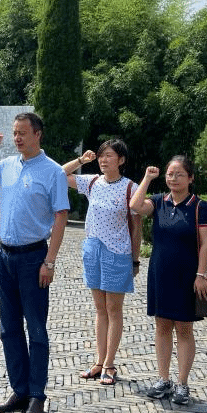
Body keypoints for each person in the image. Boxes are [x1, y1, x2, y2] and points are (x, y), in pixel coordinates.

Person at [0, 112, 69, 413]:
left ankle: (37, 394)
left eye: (23, 133)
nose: (17, 138)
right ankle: (20, 390)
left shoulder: (53, 171)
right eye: (14, 133)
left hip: (33, 258)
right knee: (9, 328)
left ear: (37, 134)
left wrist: (49, 261)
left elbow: (61, 217)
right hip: (5, 256)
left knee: (36, 329)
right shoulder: (8, 165)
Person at [129, 155, 207, 406]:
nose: (173, 178)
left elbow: (206, 244)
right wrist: (147, 178)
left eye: (179, 174)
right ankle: (163, 379)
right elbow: (135, 206)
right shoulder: (158, 202)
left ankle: (182, 383)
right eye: (169, 174)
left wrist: (200, 275)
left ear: (191, 178)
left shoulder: (200, 207)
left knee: (184, 329)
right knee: (162, 326)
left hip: (187, 276)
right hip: (160, 273)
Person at [61, 140, 142, 387]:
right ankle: (99, 361)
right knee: (99, 309)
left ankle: (109, 364)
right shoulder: (92, 182)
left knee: (113, 309)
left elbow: (136, 227)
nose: (103, 160)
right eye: (101, 156)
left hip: (118, 253)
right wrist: (81, 161)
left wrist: (135, 260)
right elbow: (59, 175)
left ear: (121, 160)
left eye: (109, 156)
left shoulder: (131, 187)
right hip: (93, 249)